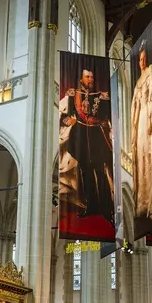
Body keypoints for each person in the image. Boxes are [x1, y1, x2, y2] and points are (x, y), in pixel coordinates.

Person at [60, 69, 114, 223]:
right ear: (81, 79)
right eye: (87, 77)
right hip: (80, 136)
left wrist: (106, 122)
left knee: (100, 174)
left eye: (92, 76)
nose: (90, 79)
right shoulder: (73, 94)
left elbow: (108, 114)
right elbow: (65, 113)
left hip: (96, 136)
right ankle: (91, 207)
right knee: (86, 174)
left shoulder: (101, 95)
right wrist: (66, 119)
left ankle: (106, 209)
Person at [131, 39, 152, 226]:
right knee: (140, 156)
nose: (141, 62)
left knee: (148, 154)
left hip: (147, 116)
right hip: (139, 118)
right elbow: (135, 104)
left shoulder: (151, 72)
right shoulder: (138, 80)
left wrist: (151, 118)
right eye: (139, 59)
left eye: (143, 58)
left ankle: (150, 200)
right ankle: (141, 200)